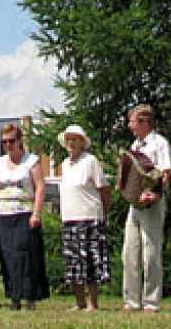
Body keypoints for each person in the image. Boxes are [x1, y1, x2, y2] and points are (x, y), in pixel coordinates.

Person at [0, 122, 49, 310]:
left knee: (26, 257)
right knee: (8, 257)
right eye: (5, 141)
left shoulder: (31, 161)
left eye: (12, 141)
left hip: (25, 213)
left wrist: (36, 213)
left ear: (20, 140)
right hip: (3, 215)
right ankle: (14, 297)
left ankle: (30, 298)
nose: (8, 145)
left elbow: (40, 187)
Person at [122, 104, 171, 313]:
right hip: (135, 205)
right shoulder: (135, 144)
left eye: (132, 121)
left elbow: (166, 173)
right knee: (129, 253)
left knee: (151, 253)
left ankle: (151, 302)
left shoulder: (159, 143)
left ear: (144, 122)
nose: (129, 126)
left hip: (152, 203)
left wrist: (156, 193)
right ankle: (131, 302)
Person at [58, 124, 111, 311]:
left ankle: (92, 302)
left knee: (90, 262)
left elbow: (104, 189)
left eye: (75, 139)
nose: (71, 143)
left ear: (82, 142)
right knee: (74, 263)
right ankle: (79, 302)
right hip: (69, 218)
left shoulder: (90, 161)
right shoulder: (64, 164)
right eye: (69, 140)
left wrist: (104, 215)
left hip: (89, 217)